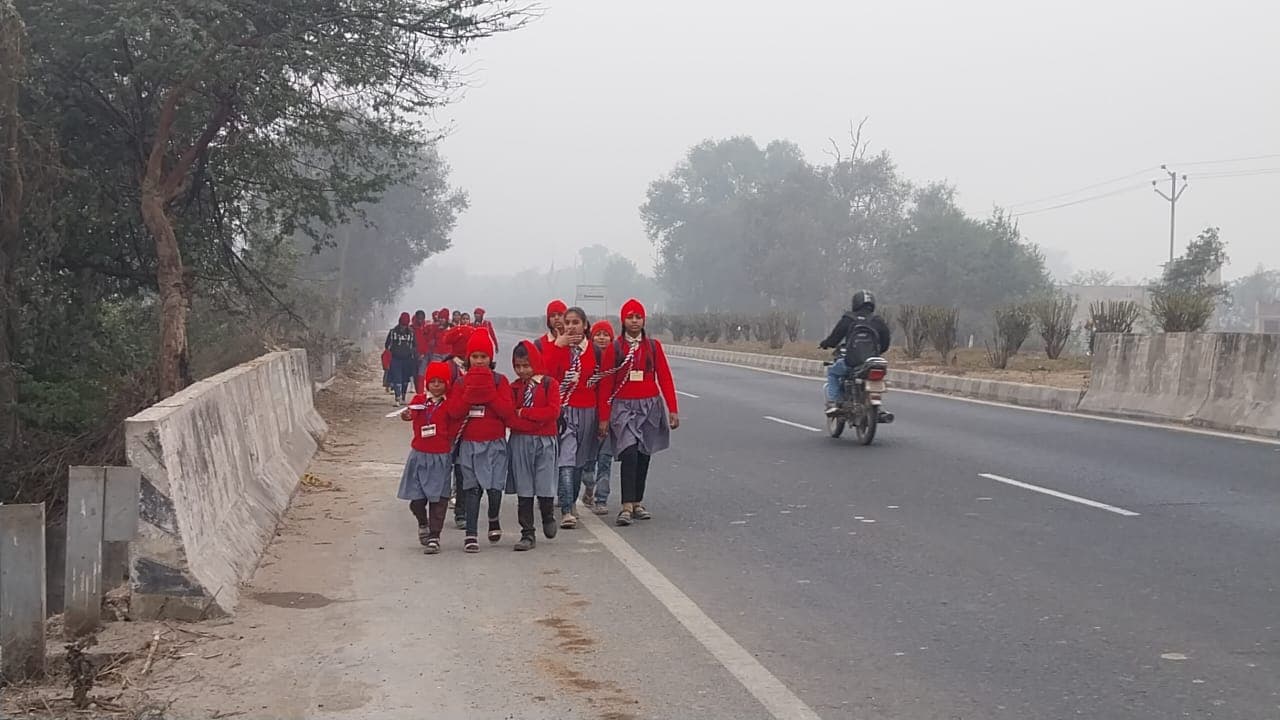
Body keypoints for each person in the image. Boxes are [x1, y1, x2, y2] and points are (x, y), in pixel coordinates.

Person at [596, 299, 680, 526]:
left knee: (644, 454)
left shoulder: (653, 347)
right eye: (630, 317)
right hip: (623, 408)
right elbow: (606, 384)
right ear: (623, 320)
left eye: (638, 317)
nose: (634, 321)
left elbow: (664, 377)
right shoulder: (615, 348)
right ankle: (625, 505)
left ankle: (637, 502)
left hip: (649, 408)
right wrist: (604, 417)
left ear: (644, 320)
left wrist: (672, 409)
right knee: (629, 453)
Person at [446, 331, 513, 553]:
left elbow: (507, 411)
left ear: (490, 358)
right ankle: (471, 534)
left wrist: (488, 394)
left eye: (484, 356)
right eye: (474, 356)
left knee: (494, 488)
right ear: (468, 358)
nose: (479, 361)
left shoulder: (500, 381)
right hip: (470, 444)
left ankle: (493, 518)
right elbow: (454, 411)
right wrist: (470, 394)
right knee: (472, 488)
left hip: (494, 443)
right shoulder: (460, 382)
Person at [544, 306, 602, 529]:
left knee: (580, 461)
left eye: (575, 322)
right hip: (564, 411)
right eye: (567, 322)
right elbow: (546, 376)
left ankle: (572, 499)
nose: (570, 327)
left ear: (585, 325)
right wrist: (557, 347)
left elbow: (602, 386)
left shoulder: (595, 351)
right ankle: (567, 509)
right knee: (566, 459)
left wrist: (604, 418)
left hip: (588, 411)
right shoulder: (559, 348)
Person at [507, 341, 562, 551]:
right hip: (520, 441)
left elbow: (552, 412)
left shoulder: (549, 384)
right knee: (524, 487)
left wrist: (526, 413)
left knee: (545, 481)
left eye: (526, 365)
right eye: (518, 366)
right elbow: (511, 417)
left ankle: (548, 515)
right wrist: (533, 421)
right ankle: (527, 533)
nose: (522, 371)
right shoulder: (514, 388)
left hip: (545, 441)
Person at [396, 362, 455, 555]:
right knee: (417, 499)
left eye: (441, 382)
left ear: (447, 383)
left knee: (439, 500)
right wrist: (406, 415)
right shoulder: (419, 400)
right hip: (419, 455)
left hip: (441, 457)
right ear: (427, 383)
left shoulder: (450, 403)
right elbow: (410, 414)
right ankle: (423, 522)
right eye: (433, 381)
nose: (436, 385)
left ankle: (434, 537)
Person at [818, 290, 892, 415]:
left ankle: (833, 403)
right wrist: (877, 352)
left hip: (851, 362)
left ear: (855, 303)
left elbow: (835, 338)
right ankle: (878, 407)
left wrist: (825, 344)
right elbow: (885, 342)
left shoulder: (849, 319)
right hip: (871, 363)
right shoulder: (877, 320)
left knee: (832, 372)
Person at [588, 320, 616, 515]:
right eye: (598, 334)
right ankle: (589, 486)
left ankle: (601, 499)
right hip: (588, 415)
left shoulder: (618, 361)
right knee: (587, 461)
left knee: (605, 460)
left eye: (606, 335)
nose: (602, 338)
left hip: (610, 416)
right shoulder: (586, 359)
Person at [384, 312, 418, 405]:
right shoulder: (393, 332)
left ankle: (403, 397)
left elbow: (415, 345)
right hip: (395, 359)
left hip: (408, 359)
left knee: (405, 379)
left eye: (405, 325)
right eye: (402, 325)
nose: (403, 327)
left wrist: (411, 353)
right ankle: (397, 397)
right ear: (399, 323)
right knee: (397, 378)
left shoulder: (411, 333)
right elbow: (387, 345)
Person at [411, 310, 432, 393]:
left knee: (421, 374)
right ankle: (418, 391)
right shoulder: (411, 329)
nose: (420, 320)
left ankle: (420, 393)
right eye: (418, 318)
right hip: (413, 355)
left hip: (424, 355)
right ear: (416, 318)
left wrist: (424, 353)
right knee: (415, 375)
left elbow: (428, 341)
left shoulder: (427, 328)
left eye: (422, 318)